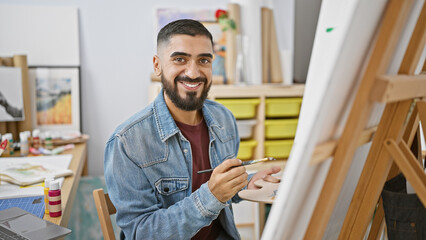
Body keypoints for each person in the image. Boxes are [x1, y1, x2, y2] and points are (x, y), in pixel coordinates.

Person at [104, 19, 281, 240]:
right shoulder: (127, 143)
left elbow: (220, 187)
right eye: (180, 59)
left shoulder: (224, 119)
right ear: (157, 65)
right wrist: (211, 196)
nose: (193, 72)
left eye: (204, 60)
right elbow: (142, 233)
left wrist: (246, 183)